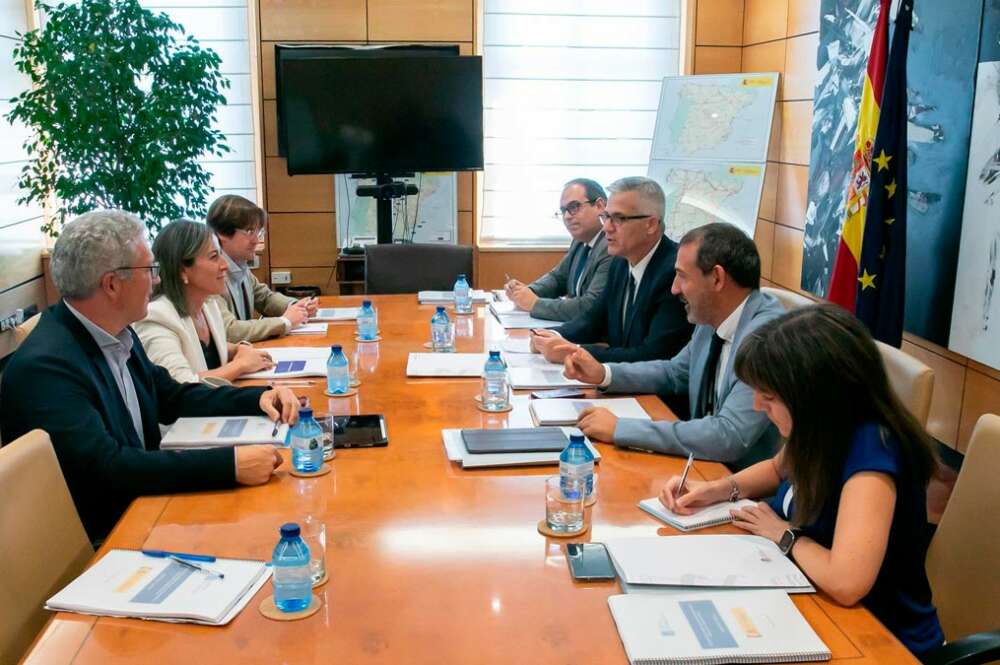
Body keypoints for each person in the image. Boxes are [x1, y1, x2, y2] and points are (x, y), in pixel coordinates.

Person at [658, 304, 944, 657]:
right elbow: (778, 468)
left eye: (771, 396)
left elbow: (846, 582)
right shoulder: (821, 427)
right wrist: (716, 490)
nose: (759, 406)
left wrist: (783, 535)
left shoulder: (873, 453)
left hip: (879, 639)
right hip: (809, 602)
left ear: (816, 396)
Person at [0, 210, 299, 542]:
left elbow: (171, 396)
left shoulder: (116, 333)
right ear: (112, 284)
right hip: (108, 538)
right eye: (150, 270)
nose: (157, 280)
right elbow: (109, 469)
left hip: (145, 509)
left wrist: (258, 397)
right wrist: (227, 465)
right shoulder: (48, 369)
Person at [563, 222, 784, 469]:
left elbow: (729, 435)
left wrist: (621, 428)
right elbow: (674, 373)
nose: (674, 288)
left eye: (682, 276)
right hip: (703, 467)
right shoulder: (713, 316)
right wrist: (604, 374)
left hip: (746, 487)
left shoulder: (766, 337)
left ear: (717, 278)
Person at [531, 176, 692, 365]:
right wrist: (551, 335)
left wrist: (574, 352)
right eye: (606, 217)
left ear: (651, 224)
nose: (606, 227)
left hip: (654, 392)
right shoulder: (620, 262)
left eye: (618, 219)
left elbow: (654, 355)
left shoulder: (674, 273)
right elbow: (593, 320)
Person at [135, 219, 275, 384]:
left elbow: (208, 349)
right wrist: (241, 365)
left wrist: (239, 348)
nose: (225, 265)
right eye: (214, 257)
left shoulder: (208, 305)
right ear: (182, 270)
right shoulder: (156, 317)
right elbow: (180, 384)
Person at [206, 194, 317, 342]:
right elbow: (229, 331)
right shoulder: (209, 275)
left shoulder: (240, 265)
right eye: (250, 232)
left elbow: (265, 298)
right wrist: (285, 322)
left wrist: (296, 306)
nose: (256, 240)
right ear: (222, 234)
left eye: (258, 232)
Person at [503, 178, 612, 321]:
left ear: (599, 206)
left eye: (574, 207)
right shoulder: (579, 241)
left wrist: (535, 303)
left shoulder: (611, 247)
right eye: (563, 210)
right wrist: (526, 291)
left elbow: (589, 306)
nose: (567, 216)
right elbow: (558, 278)